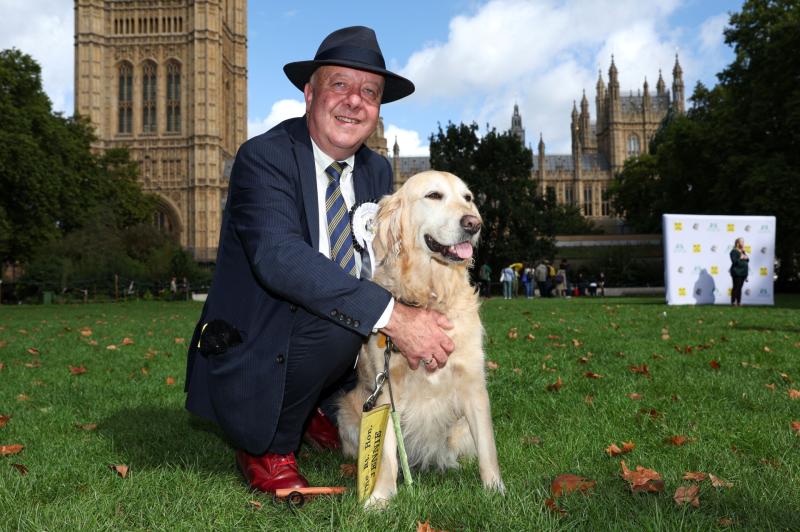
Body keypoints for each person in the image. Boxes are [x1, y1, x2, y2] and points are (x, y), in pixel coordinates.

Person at [183, 27, 455, 496]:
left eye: (369, 92)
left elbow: (387, 258)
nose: (355, 101)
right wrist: (395, 317)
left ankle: (319, 406)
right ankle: (266, 445)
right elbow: (279, 258)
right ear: (309, 93)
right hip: (260, 343)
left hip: (330, 347)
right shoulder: (264, 158)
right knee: (352, 315)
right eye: (340, 85)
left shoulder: (376, 170)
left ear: (377, 111)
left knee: (370, 307)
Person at [729, 237, 749, 306]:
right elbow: (734, 261)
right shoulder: (733, 251)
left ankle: (739, 302)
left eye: (743, 242)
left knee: (740, 288)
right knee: (736, 287)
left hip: (743, 273)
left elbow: (747, 259)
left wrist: (744, 255)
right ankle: (733, 302)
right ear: (738, 243)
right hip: (737, 272)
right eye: (742, 242)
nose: (743, 243)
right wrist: (741, 257)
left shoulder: (742, 251)